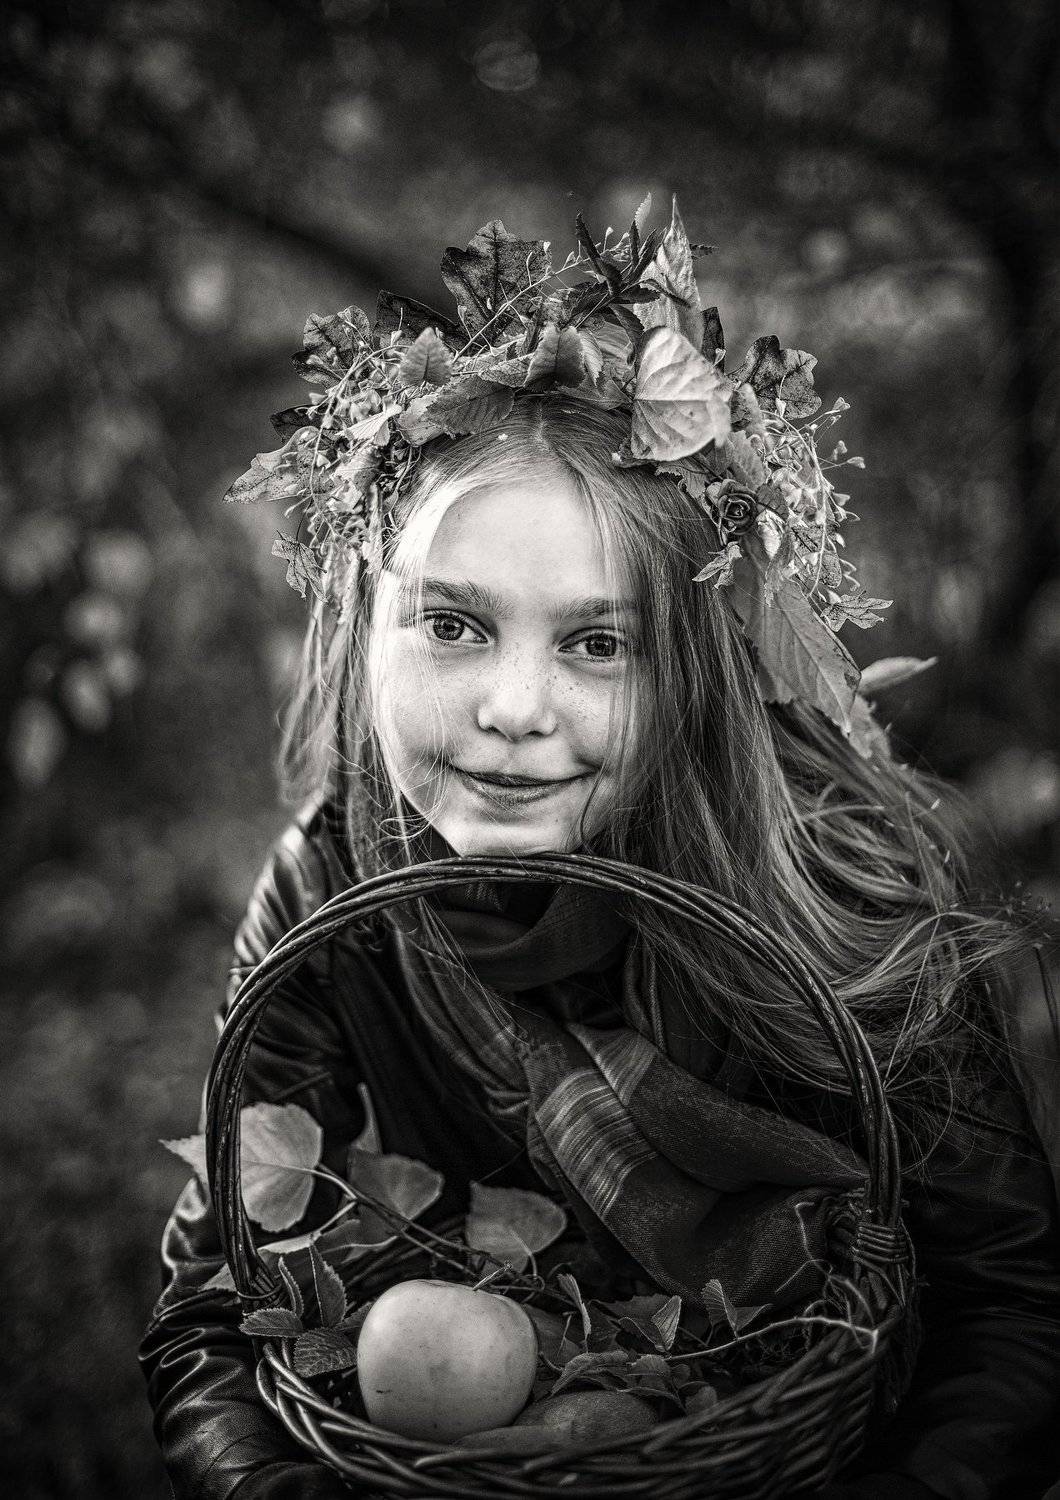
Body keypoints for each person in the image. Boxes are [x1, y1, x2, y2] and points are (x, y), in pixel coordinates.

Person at [140, 204, 1060, 1500]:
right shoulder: (329, 888)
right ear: (360, 625)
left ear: (689, 668)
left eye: (599, 643)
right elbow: (212, 1310)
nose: (516, 709)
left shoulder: (828, 879)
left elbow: (1011, 1307)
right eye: (453, 625)